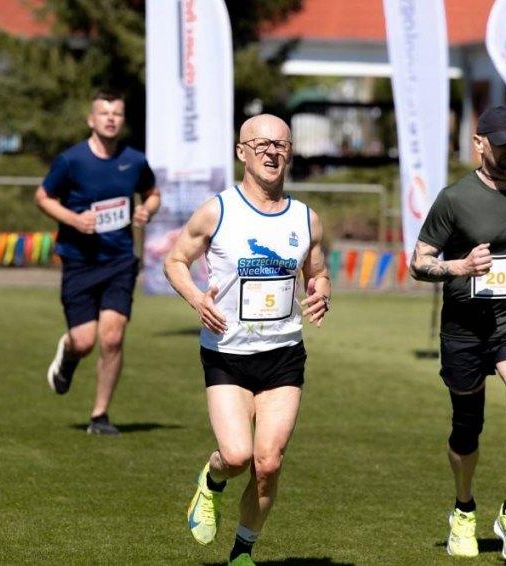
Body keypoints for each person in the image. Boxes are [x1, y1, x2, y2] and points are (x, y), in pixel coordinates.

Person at [164, 114, 330, 566]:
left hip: (283, 354)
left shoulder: (306, 219)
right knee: (237, 456)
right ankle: (212, 479)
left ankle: (242, 552)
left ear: (289, 152)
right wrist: (197, 299)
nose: (272, 152)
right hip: (227, 353)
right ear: (242, 152)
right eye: (261, 144)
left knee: (268, 463)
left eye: (281, 144)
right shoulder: (217, 211)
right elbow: (175, 261)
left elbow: (317, 272)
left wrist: (322, 292)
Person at [410, 106, 506, 561]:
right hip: (465, 329)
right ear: (479, 144)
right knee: (466, 427)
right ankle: (463, 510)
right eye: (503, 145)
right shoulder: (454, 199)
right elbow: (419, 262)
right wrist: (460, 266)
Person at [36, 90, 160, 435]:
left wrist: (146, 211)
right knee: (84, 341)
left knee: (112, 337)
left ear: (122, 120)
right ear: (91, 120)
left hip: (119, 260)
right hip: (79, 261)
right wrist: (74, 220)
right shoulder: (71, 160)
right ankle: (69, 352)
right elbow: (42, 197)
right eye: (104, 113)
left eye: (116, 113)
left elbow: (152, 194)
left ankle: (100, 416)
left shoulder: (135, 161)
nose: (110, 118)